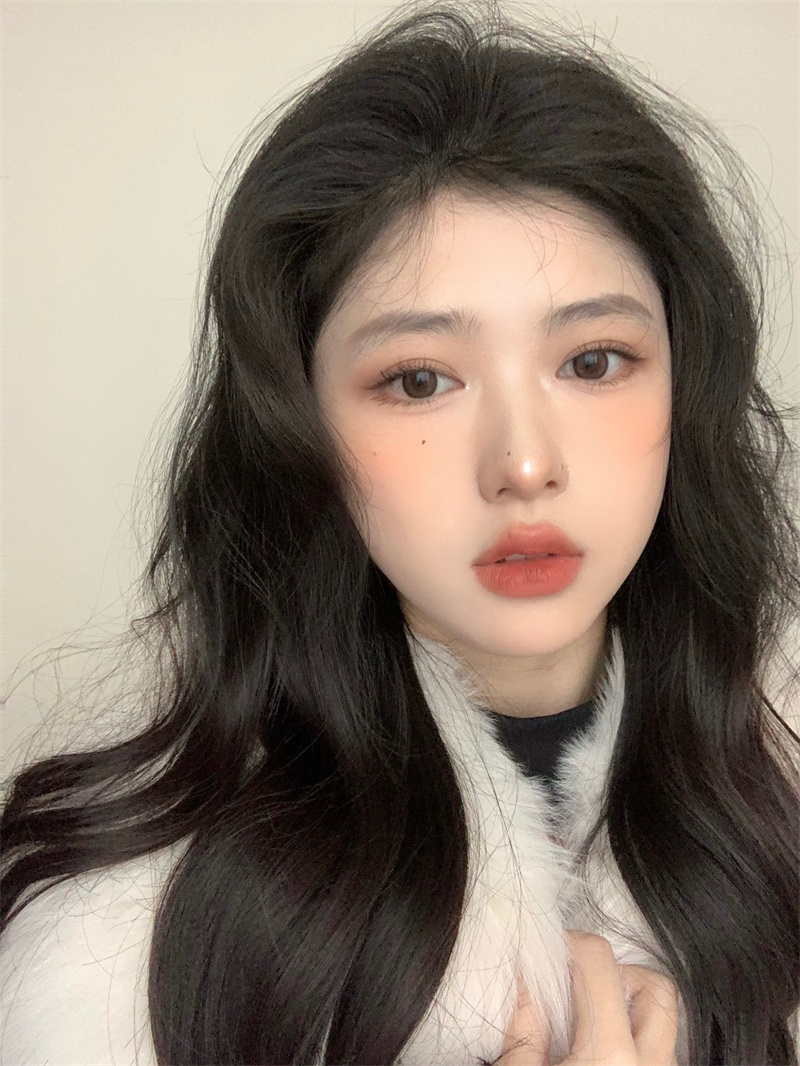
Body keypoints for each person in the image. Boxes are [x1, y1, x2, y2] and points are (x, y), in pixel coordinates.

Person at [1, 2, 798, 1064]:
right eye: (419, 380)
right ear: (300, 426)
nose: (524, 464)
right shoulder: (124, 950)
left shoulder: (776, 809)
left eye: (593, 361)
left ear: (685, 384)